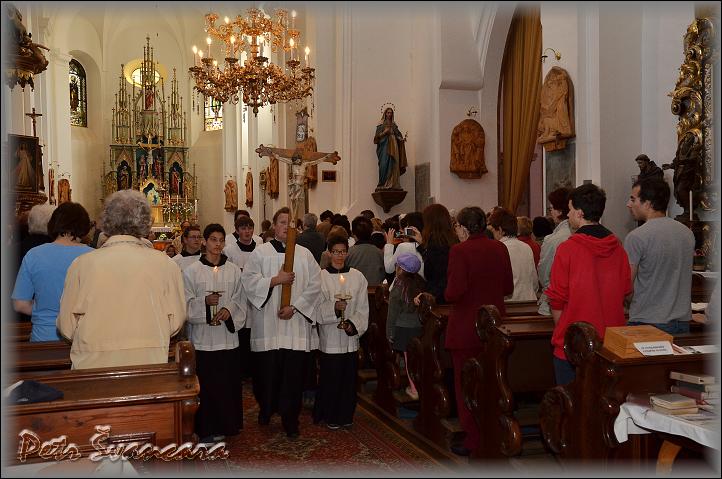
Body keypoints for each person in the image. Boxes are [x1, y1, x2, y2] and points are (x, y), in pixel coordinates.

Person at [57, 190, 186, 369]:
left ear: (106, 221)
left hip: (93, 369)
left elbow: (67, 326)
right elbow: (176, 322)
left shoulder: (82, 264)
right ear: (146, 222)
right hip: (148, 365)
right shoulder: (166, 264)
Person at [241, 206, 322, 439]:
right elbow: (248, 281)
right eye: (282, 222)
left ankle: (290, 419)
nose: (287, 226)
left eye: (291, 223)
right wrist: (276, 280)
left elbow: (315, 285)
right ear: (274, 226)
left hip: (294, 327)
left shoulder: (305, 254)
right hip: (268, 326)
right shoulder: (261, 253)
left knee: (293, 378)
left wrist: (295, 307)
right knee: (266, 376)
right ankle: (266, 409)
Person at [545, 184, 631, 385]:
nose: (568, 214)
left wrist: (565, 330)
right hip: (610, 342)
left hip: (574, 343)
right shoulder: (618, 248)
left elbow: (557, 299)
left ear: (580, 213)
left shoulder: (568, 249)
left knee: (572, 408)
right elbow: (626, 291)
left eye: (570, 209)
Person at [444, 206, 513, 457]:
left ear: (463, 228)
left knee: (467, 387)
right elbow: (507, 286)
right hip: (494, 327)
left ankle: (473, 438)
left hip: (466, 328)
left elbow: (454, 292)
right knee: (491, 383)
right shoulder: (499, 248)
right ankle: (492, 432)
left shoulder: (460, 251)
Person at [183, 223, 246, 443]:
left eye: (221, 240)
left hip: (227, 339)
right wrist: (205, 303)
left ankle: (227, 425)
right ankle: (207, 428)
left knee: (226, 385)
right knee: (207, 387)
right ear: (204, 242)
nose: (217, 245)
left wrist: (228, 310)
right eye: (213, 240)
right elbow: (186, 303)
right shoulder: (192, 271)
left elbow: (241, 299)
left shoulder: (234, 270)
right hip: (203, 340)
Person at [13, 202, 93, 341]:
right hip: (82, 338)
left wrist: (43, 311)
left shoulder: (34, 255)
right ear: (85, 226)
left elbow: (20, 304)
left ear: (53, 223)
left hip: (44, 336)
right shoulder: (94, 256)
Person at [624, 178, 695, 334]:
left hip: (647, 322)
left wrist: (636, 302)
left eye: (633, 199)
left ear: (648, 203)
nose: (629, 204)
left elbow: (626, 286)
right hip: (682, 323)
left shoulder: (636, 237)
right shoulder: (687, 233)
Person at [313, 236, 369, 429]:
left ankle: (346, 414)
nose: (339, 256)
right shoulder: (321, 277)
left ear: (347, 252)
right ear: (328, 253)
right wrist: (335, 308)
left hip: (349, 338)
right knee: (331, 378)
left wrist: (351, 324)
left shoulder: (358, 276)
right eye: (335, 252)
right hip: (330, 339)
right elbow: (316, 308)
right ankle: (330, 415)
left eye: (343, 251)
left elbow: (363, 308)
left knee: (348, 380)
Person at [386, 253, 426, 400]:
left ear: (400, 269)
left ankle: (414, 389)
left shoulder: (398, 285)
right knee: (417, 359)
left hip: (403, 328)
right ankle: (418, 386)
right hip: (419, 327)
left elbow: (392, 313)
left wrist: (389, 334)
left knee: (409, 360)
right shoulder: (420, 282)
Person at [409, 204, 458, 305]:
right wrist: (422, 244)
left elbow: (437, 274)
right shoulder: (453, 239)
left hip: (439, 296)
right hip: (451, 293)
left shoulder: (436, 243)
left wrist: (428, 295)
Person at [488, 208, 538, 301]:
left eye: (493, 231)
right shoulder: (526, 247)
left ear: (500, 230)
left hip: (510, 302)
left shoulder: (499, 249)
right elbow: (534, 282)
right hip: (529, 301)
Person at [537, 187, 573, 315]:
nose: (550, 212)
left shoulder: (553, 239)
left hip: (554, 302)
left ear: (559, 211)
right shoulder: (578, 233)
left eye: (551, 208)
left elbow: (544, 273)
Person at [374, 107, 408, 190]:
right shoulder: (381, 124)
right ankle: (383, 183)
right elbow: (376, 139)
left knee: (394, 163)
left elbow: (398, 135)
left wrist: (401, 139)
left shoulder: (394, 125)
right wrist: (385, 132)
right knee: (384, 164)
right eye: (388, 112)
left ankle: (393, 184)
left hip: (394, 146)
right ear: (385, 113)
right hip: (384, 147)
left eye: (391, 113)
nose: (389, 114)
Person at [346, 215, 386, 286]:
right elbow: (383, 275)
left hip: (354, 291)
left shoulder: (349, 253)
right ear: (371, 232)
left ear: (353, 233)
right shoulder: (379, 252)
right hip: (375, 291)